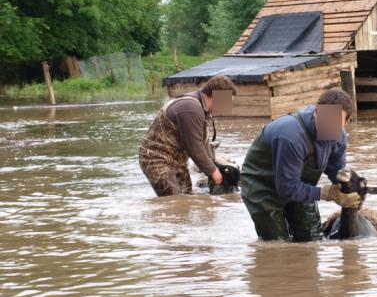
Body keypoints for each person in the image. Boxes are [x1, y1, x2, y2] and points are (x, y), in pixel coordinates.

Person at [240, 89, 362, 242]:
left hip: (299, 186)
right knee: (278, 245)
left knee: (312, 241)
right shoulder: (291, 136)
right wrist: (327, 193)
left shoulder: (340, 137)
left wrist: (348, 190)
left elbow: (335, 171)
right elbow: (287, 188)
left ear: (347, 121)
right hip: (262, 187)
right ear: (316, 111)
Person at [139, 74, 237, 196]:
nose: (227, 106)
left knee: (187, 201)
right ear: (217, 95)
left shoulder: (202, 108)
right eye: (227, 101)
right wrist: (213, 172)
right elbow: (194, 147)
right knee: (174, 202)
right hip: (157, 160)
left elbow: (203, 142)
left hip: (177, 161)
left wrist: (212, 168)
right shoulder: (191, 108)